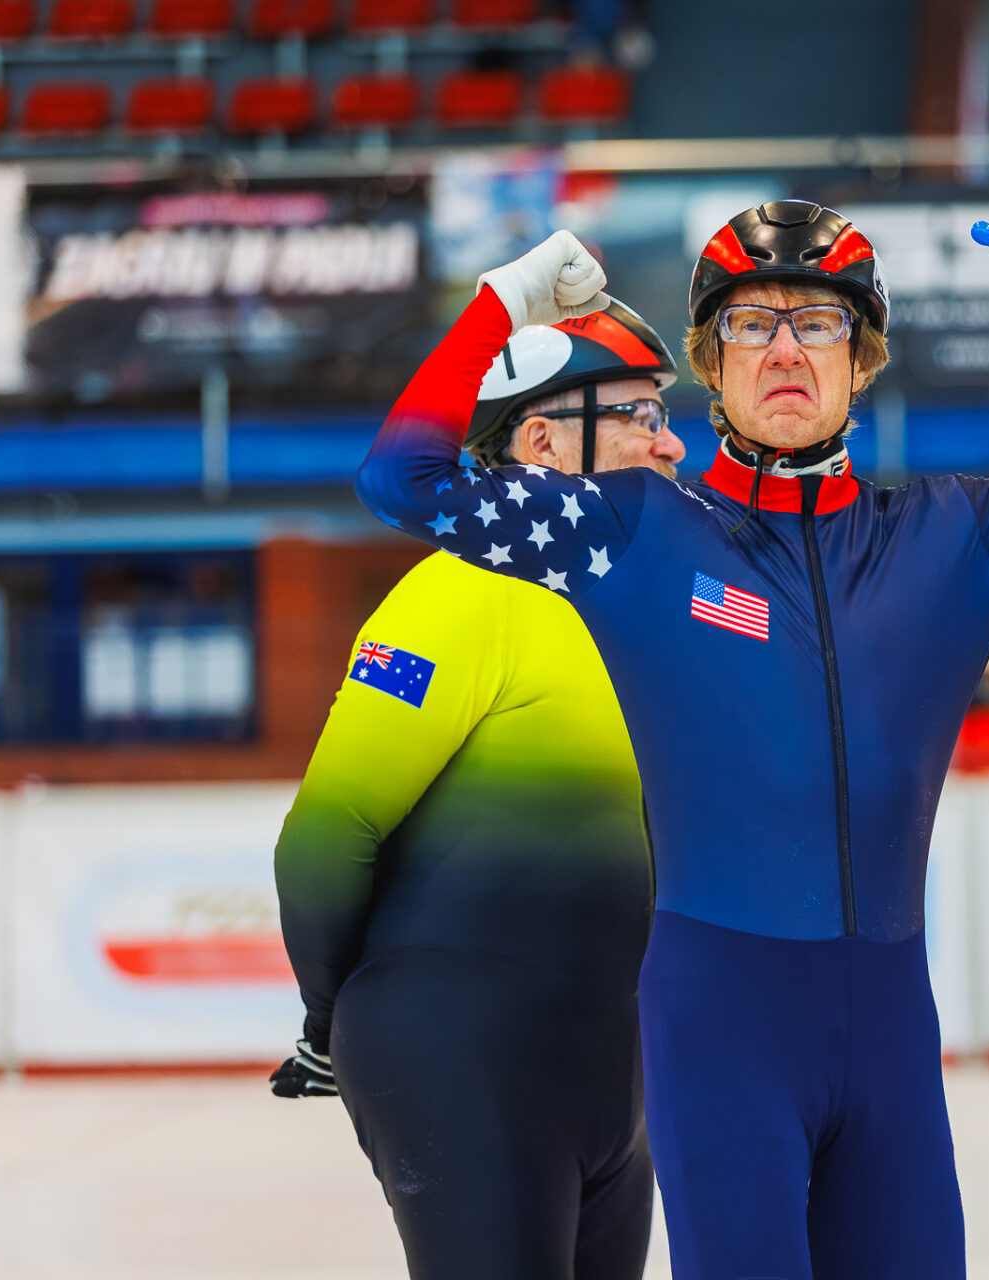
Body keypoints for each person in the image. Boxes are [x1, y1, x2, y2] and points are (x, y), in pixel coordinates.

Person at [353, 182, 989, 1278]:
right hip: (720, 1028)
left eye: (818, 322)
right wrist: (503, 302)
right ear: (711, 360)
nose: (784, 348)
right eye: (750, 324)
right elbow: (401, 479)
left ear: (860, 360)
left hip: (891, 1037)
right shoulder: (629, 530)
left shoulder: (959, 538)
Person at [269, 300, 685, 1280]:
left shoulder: (645, 608)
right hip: (459, 1044)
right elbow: (323, 837)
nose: (671, 442)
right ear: (543, 442)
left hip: (610, 1057)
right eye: (640, 415)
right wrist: (327, 1022)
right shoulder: (463, 588)